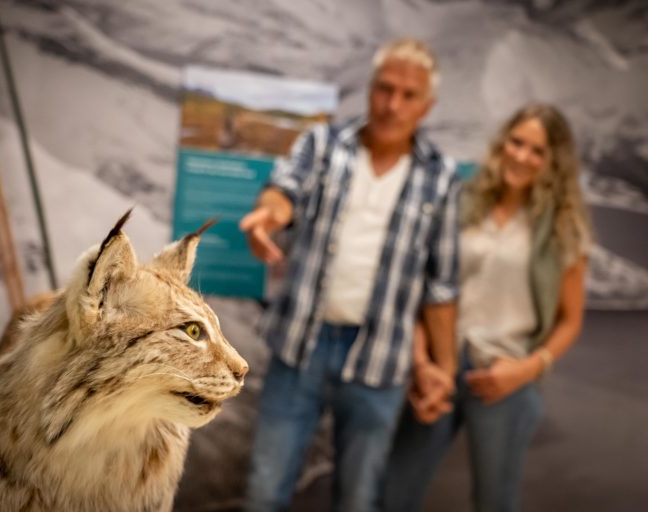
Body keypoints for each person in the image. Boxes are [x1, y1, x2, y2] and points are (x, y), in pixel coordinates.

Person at [239, 38, 460, 512]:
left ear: (427, 106)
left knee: (359, 499)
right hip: (301, 343)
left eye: (408, 95)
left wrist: (443, 369)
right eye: (385, 89)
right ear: (369, 89)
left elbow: (441, 285)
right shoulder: (323, 145)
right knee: (264, 489)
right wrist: (268, 217)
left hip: (380, 359)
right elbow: (284, 191)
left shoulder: (440, 178)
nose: (393, 104)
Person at [384, 103, 592, 512]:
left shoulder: (566, 228)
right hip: (441, 369)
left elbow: (571, 320)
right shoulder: (462, 203)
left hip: (505, 377)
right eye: (517, 142)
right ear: (502, 142)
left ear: (554, 161)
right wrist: (422, 362)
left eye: (538, 151)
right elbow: (429, 289)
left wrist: (527, 370)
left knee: (494, 501)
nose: (521, 156)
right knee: (394, 494)